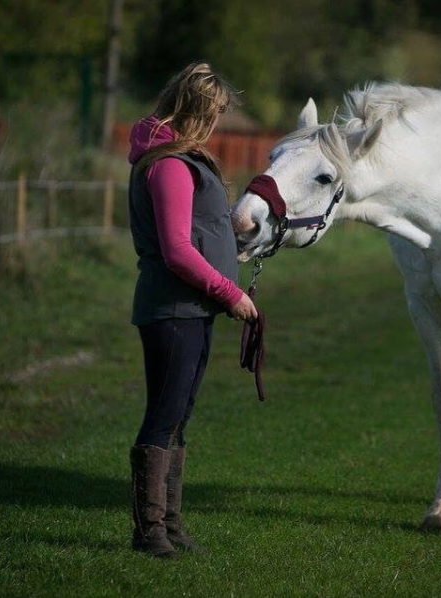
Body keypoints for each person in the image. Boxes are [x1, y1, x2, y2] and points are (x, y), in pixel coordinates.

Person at [127, 62, 257, 559]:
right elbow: (178, 250)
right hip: (173, 309)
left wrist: (229, 237)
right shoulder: (170, 165)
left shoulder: (179, 159)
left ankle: (171, 526)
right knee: (163, 417)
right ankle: (149, 532)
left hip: (191, 310)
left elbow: (195, 229)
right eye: (217, 113)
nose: (219, 122)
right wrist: (231, 293)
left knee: (179, 416)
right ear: (199, 112)